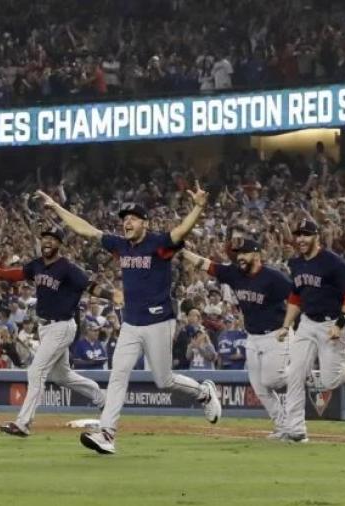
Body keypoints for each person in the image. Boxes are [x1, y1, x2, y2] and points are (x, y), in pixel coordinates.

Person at [35, 185, 222, 456]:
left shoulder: (158, 244)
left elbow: (181, 232)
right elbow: (85, 229)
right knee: (118, 375)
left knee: (163, 380)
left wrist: (198, 207)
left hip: (159, 320)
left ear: (145, 223)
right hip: (132, 322)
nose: (127, 222)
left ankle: (203, 392)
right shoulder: (120, 245)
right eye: (124, 219)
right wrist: (56, 207)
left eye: (133, 218)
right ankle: (107, 434)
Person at [0, 227, 108, 436]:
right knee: (62, 376)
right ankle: (103, 399)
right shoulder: (37, 265)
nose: (47, 242)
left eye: (52, 239)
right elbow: (19, 273)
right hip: (46, 327)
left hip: (62, 325)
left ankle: (23, 423)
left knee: (36, 371)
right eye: (44, 238)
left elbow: (90, 286)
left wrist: (111, 294)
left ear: (59, 244)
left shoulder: (67, 268)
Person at [180, 238, 291, 436]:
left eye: (244, 253)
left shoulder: (273, 277)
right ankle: (283, 425)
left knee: (273, 379)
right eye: (238, 254)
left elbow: (296, 297)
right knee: (259, 386)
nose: (240, 257)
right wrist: (184, 253)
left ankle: (303, 374)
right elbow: (208, 265)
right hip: (253, 337)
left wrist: (291, 325)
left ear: (256, 255)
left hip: (276, 334)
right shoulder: (235, 274)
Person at [277, 219, 345, 443]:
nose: (301, 239)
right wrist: (286, 325)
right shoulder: (296, 263)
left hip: (331, 323)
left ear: (316, 236)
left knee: (329, 381)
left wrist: (340, 322)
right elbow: (296, 296)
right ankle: (296, 429)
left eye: (306, 235)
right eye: (298, 235)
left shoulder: (331, 262)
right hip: (307, 323)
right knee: (295, 374)